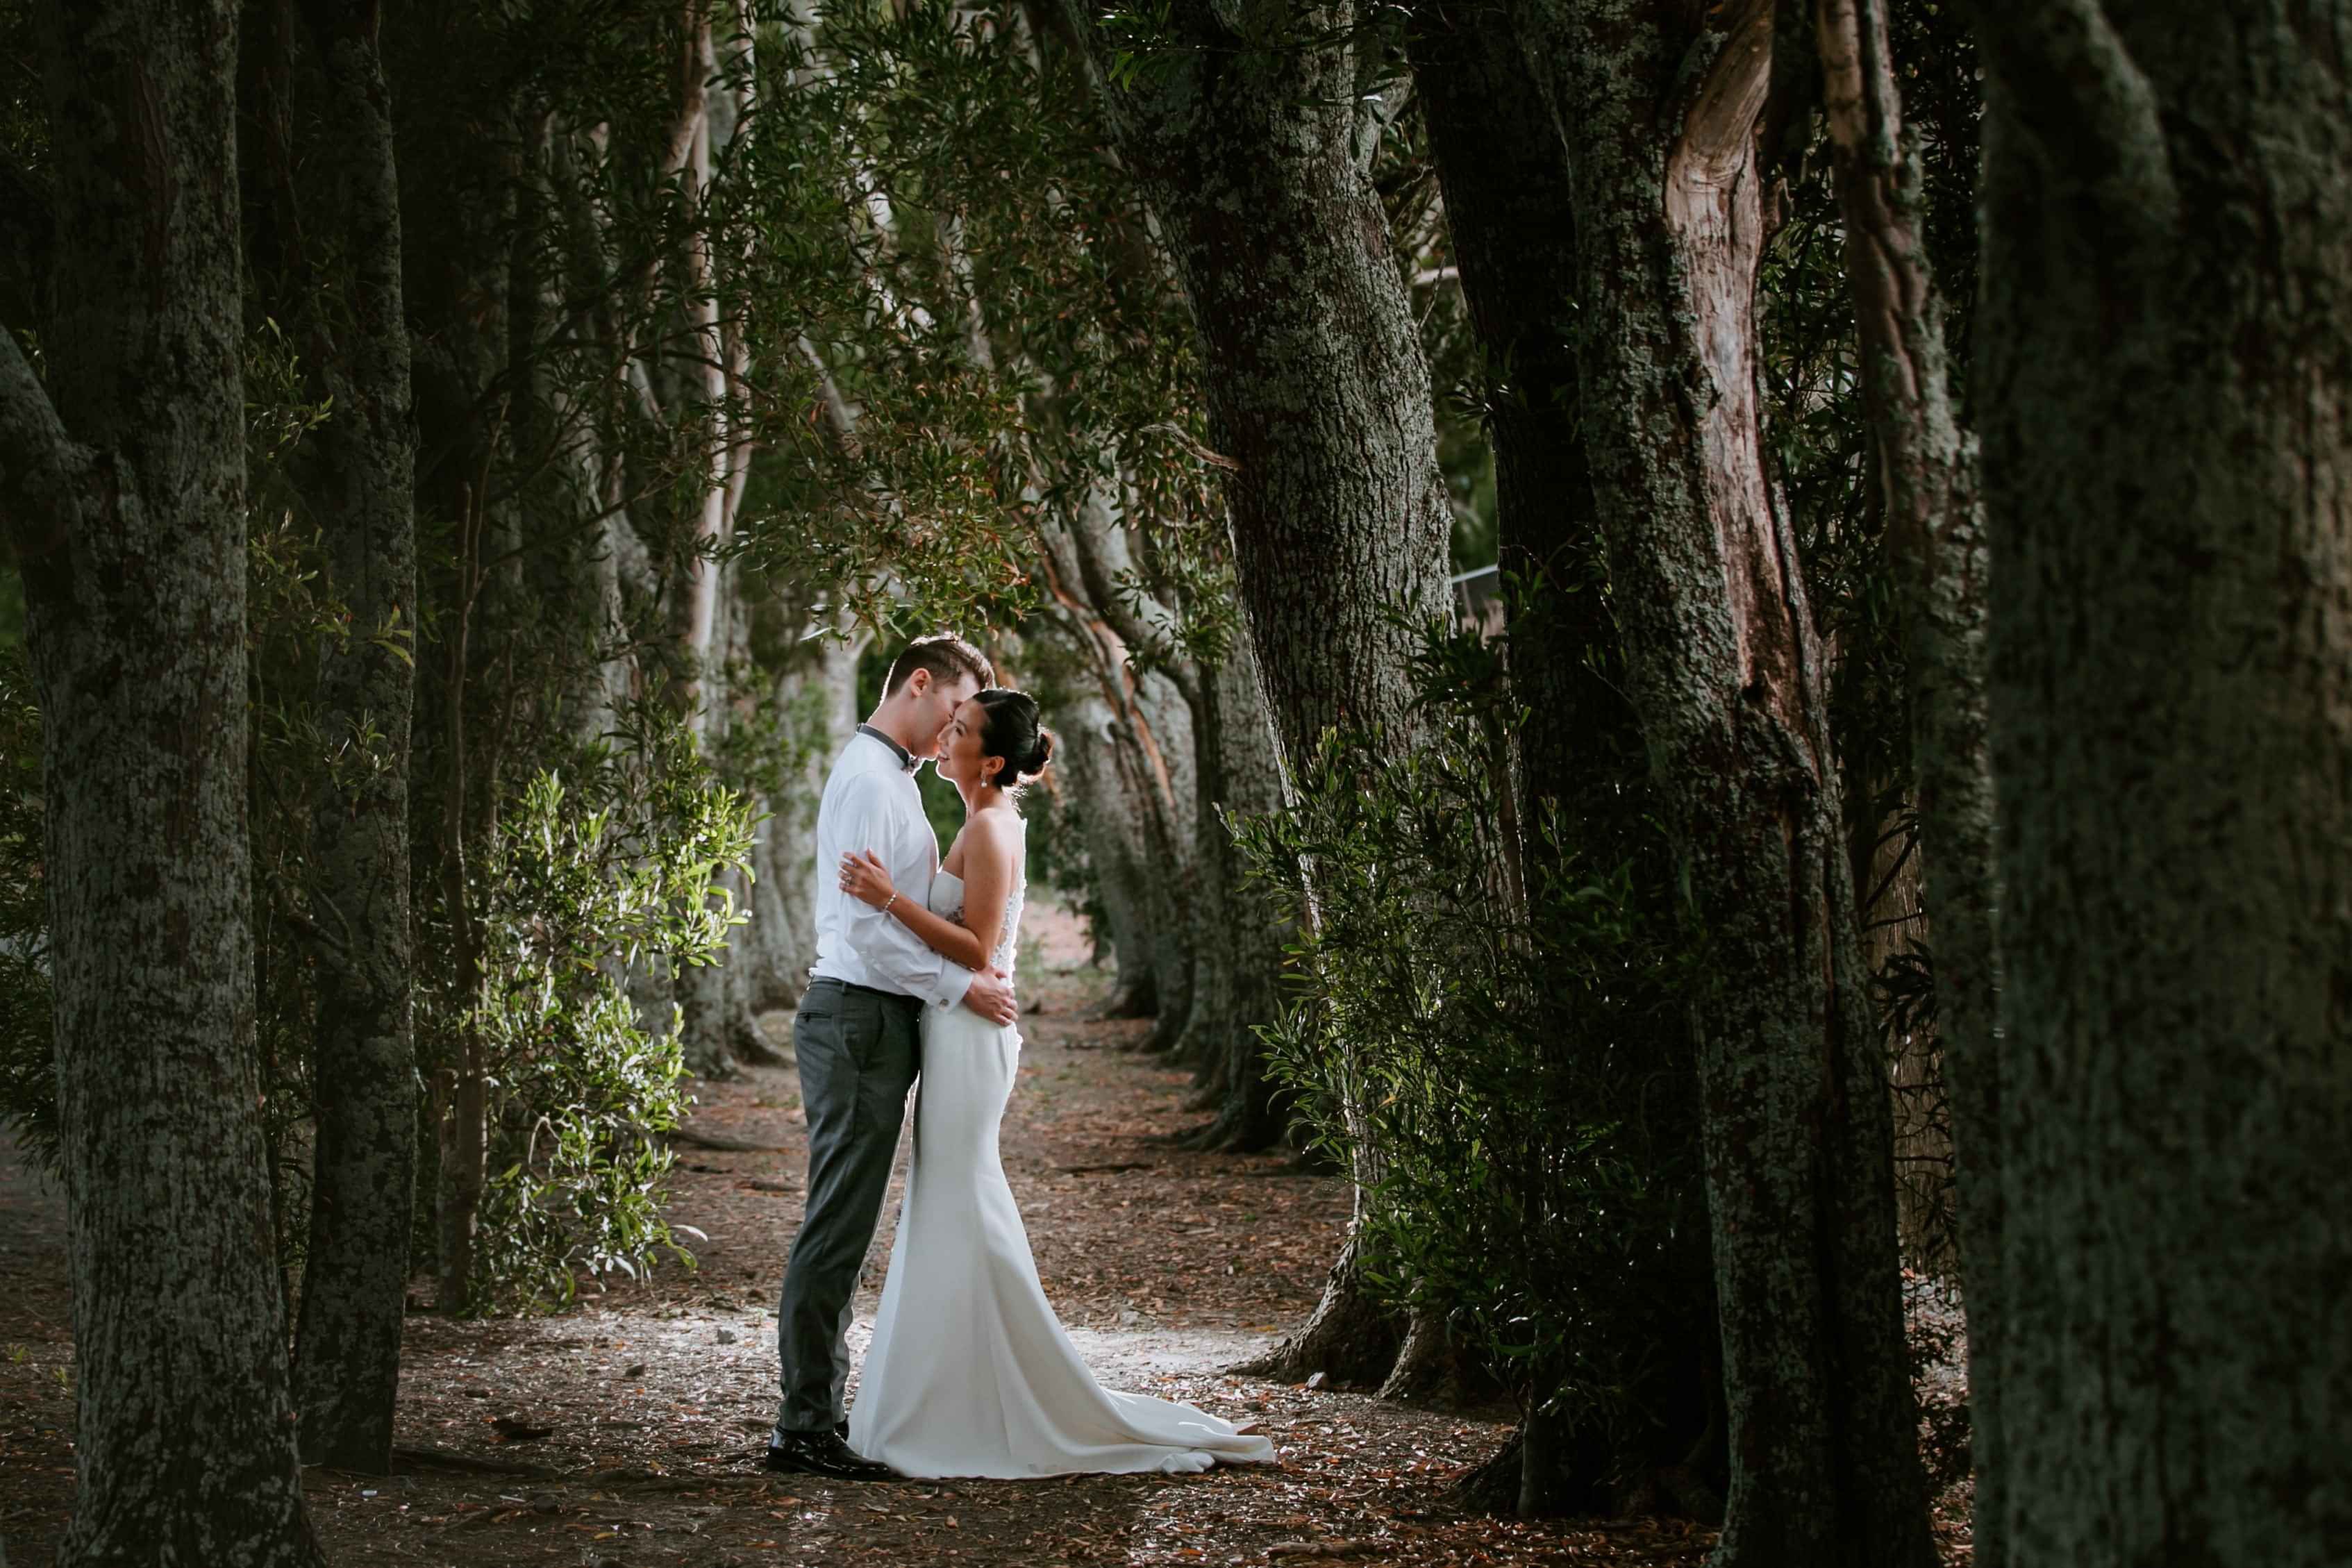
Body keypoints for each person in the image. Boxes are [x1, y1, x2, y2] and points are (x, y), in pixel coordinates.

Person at [833, 684, 1278, 1479]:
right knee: (950, 1199)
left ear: (990, 760)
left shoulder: (991, 826)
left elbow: (977, 948)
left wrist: (888, 897)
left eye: (960, 730)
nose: (944, 736)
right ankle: (955, 1388)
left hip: (971, 1035)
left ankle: (988, 1393)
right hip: (959, 1027)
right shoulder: (983, 819)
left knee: (959, 1197)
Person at [765, 633, 1018, 1483]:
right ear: (919, 683)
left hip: (876, 1019)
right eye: (954, 706)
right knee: (838, 1222)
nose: (955, 726)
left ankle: (818, 1412)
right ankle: (804, 1425)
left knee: (848, 1218)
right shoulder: (874, 780)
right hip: (857, 1016)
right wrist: (958, 986)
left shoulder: (893, 780)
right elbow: (868, 929)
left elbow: (900, 912)